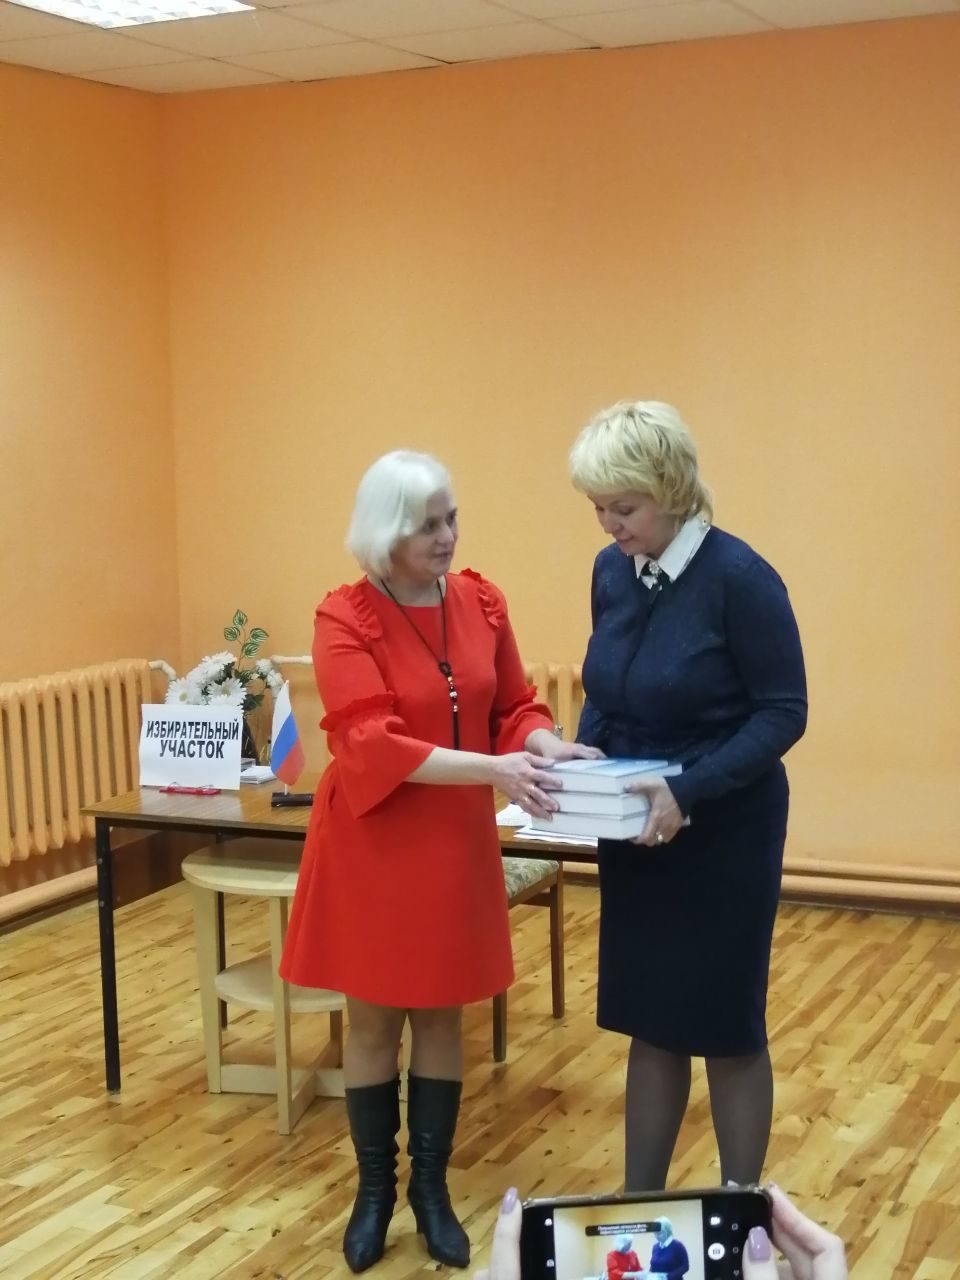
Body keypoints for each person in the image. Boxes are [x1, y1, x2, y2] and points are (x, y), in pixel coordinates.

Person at [280, 450, 599, 1273]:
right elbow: (368, 743)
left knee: (441, 1017)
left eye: (451, 517)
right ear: (386, 530)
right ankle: (373, 1193)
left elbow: (512, 705)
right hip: (375, 843)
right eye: (428, 525)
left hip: (454, 843)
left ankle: (431, 1190)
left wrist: (543, 744)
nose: (448, 536)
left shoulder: (481, 602)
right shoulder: (345, 616)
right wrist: (495, 770)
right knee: (374, 1023)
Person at [567, 401, 808, 1190]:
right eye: (598, 508)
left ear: (671, 489)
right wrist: (584, 755)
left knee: (725, 1027)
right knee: (653, 1021)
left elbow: (784, 712)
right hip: (638, 829)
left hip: (724, 832)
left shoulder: (741, 579)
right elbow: (608, 685)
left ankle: (741, 1215)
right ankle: (640, 1204)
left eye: (624, 507)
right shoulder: (612, 571)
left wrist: (687, 789)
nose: (609, 524)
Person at [473, 1185, 848, 1280]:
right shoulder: (630, 1251)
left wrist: (656, 1274)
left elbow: (681, 1268)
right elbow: (622, 1271)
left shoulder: (676, 1246)